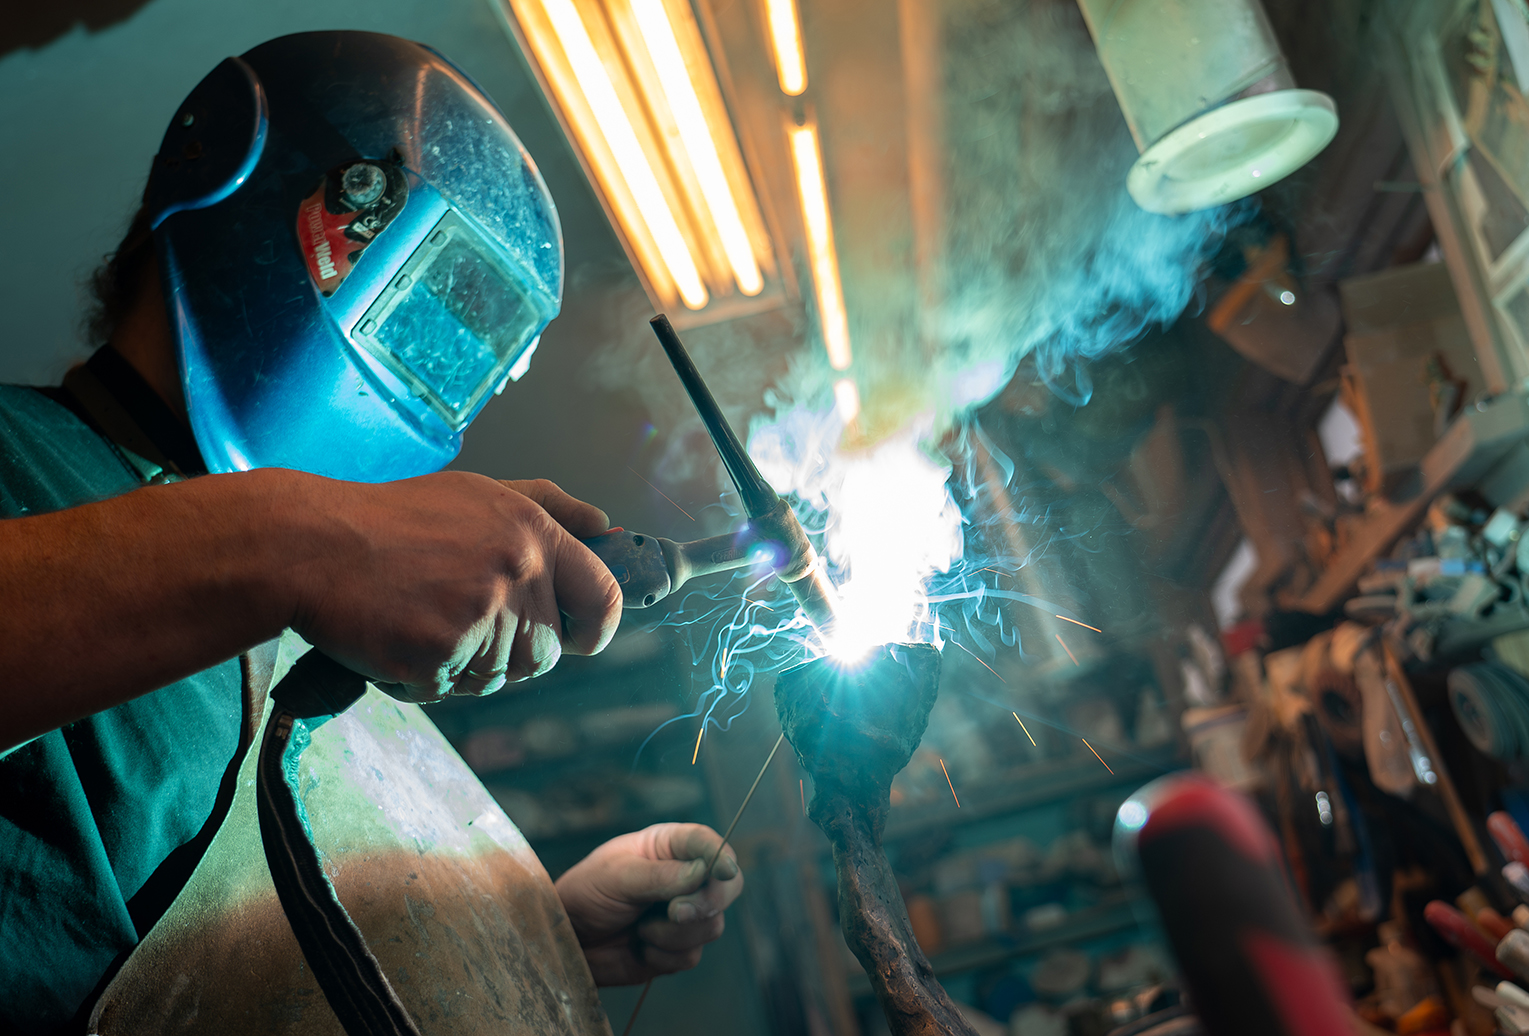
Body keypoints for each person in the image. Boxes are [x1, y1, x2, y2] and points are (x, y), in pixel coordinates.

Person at [0, 31, 742, 1033]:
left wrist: (508, 940)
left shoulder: (319, 625)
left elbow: (227, 968)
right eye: (424, 300)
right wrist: (297, 543)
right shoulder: (30, 463)